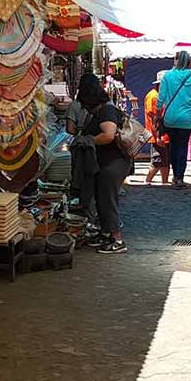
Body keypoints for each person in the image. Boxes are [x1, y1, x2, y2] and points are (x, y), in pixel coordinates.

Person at [77, 75, 131, 254]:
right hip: (107, 164)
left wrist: (88, 140)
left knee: (107, 201)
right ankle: (105, 233)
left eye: (85, 104)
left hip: (112, 164)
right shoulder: (103, 111)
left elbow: (108, 135)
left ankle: (117, 240)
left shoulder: (106, 111)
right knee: (102, 200)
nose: (84, 108)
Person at [157, 50, 191, 187]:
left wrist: (159, 114)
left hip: (170, 117)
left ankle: (175, 176)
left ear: (176, 60)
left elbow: (161, 99)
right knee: (183, 147)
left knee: (173, 147)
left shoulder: (167, 77)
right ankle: (180, 177)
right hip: (186, 118)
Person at [66, 74, 98, 229]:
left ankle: (85, 215)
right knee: (96, 181)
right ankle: (95, 216)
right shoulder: (105, 104)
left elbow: (69, 129)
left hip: (80, 146)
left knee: (81, 178)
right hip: (99, 148)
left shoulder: (75, 105)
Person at [144, 71, 169, 185]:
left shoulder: (159, 95)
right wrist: (159, 136)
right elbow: (155, 118)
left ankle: (165, 181)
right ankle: (148, 181)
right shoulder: (153, 96)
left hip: (163, 134)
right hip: (157, 135)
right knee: (157, 160)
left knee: (164, 160)